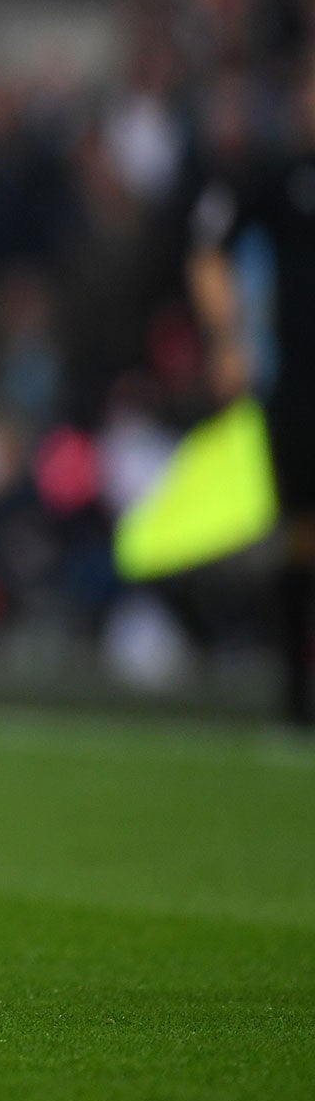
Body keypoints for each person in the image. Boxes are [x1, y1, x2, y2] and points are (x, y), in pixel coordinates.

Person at [190, 63, 315, 727]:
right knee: (299, 533)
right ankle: (295, 695)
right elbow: (210, 248)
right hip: (299, 388)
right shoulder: (281, 174)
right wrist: (227, 340)